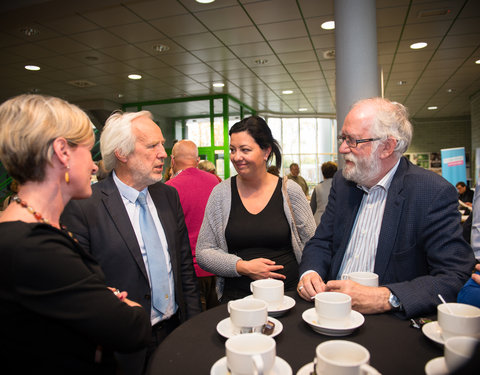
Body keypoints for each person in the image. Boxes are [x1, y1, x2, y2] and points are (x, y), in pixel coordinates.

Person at [0, 94, 151, 374]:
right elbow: (131, 328)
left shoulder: (31, 233)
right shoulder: (34, 248)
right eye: (88, 151)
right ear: (63, 152)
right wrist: (123, 305)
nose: (95, 166)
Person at [297, 97, 475, 319]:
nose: (342, 148)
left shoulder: (431, 192)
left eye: (352, 140)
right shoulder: (343, 185)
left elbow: (454, 275)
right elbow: (322, 241)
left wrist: (386, 297)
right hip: (328, 311)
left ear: (387, 147)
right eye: (342, 138)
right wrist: (310, 272)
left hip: (388, 323)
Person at [61, 110, 201, 375]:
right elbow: (85, 291)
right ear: (121, 153)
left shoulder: (168, 196)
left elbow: (184, 270)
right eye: (152, 146)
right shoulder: (85, 207)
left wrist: (191, 329)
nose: (163, 152)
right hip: (122, 345)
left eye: (162, 143)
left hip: (176, 332)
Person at [196, 116, 316, 302]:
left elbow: (312, 244)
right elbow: (204, 251)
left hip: (288, 296)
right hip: (237, 298)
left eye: (245, 150)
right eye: (232, 150)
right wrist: (243, 266)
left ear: (266, 151)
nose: (236, 157)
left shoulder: (289, 191)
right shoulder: (221, 193)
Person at [165, 140, 220, 310]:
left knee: (196, 325)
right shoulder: (215, 182)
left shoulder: (168, 189)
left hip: (189, 272)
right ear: (197, 162)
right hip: (217, 265)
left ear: (172, 161)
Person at [310, 161, 337, 225]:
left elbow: (312, 208)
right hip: (335, 221)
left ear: (323, 173)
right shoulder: (339, 187)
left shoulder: (317, 187)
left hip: (319, 221)